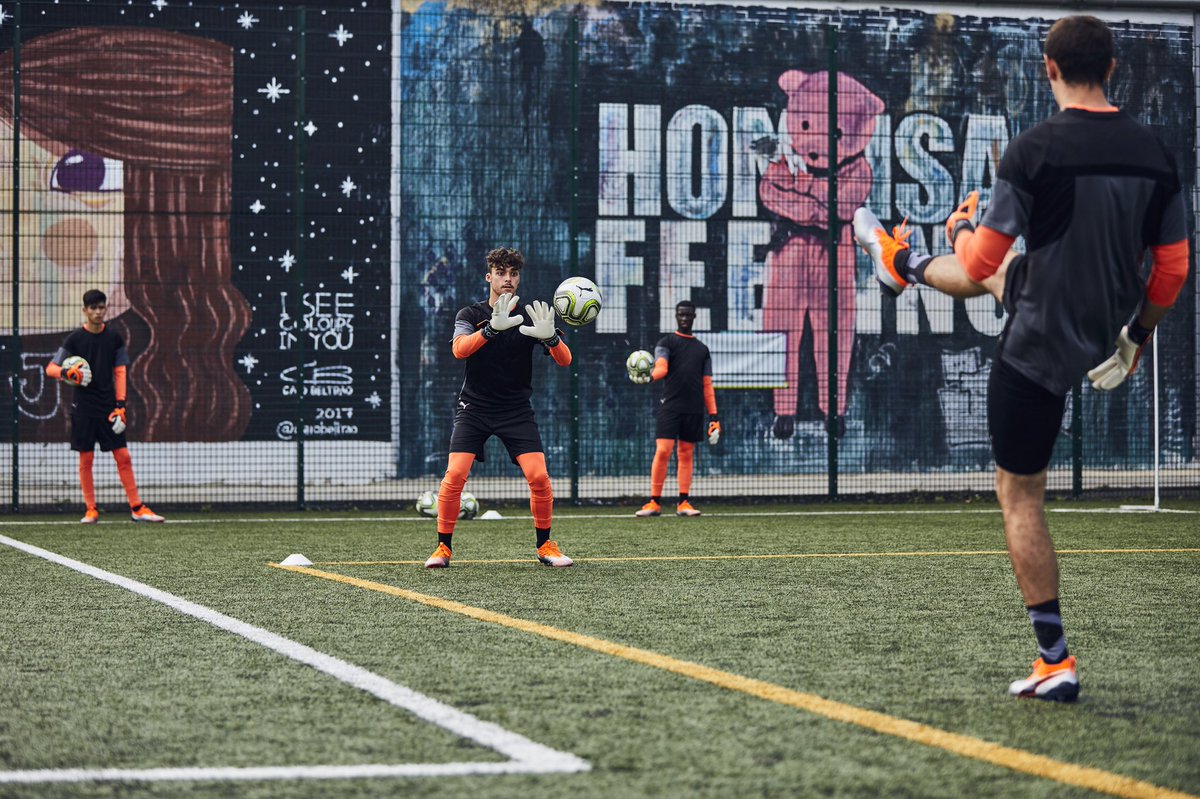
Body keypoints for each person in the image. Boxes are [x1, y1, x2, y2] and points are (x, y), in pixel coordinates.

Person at [853, 15, 1190, 702]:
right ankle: (901, 260)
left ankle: (1054, 659)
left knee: (1019, 493)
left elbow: (978, 263)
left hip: (1037, 340)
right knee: (1011, 274)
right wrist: (1137, 337)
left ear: (1049, 70)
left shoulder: (1033, 151)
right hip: (1101, 329)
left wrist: (966, 226)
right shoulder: (1157, 153)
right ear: (1114, 69)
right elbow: (1173, 271)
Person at [425, 248, 575, 568]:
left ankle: (545, 546)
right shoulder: (469, 314)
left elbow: (566, 360)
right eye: (501, 273)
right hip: (474, 408)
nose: (508, 279)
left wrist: (551, 339)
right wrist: (491, 329)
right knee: (455, 475)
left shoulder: (531, 314)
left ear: (518, 278)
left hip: (515, 410)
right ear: (489, 277)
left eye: (513, 274)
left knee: (539, 477)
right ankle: (442, 548)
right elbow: (459, 350)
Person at [46, 290, 165, 524]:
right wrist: (66, 373)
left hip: (109, 406)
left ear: (105, 309)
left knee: (123, 456)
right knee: (86, 458)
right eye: (93, 308)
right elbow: (50, 369)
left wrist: (120, 406)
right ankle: (91, 509)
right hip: (83, 407)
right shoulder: (74, 340)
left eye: (101, 307)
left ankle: (137, 507)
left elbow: (120, 373)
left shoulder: (114, 338)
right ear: (85, 310)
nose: (98, 312)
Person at [631, 301, 721, 517]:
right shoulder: (666, 343)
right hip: (670, 407)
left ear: (694, 317)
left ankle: (683, 502)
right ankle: (654, 502)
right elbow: (662, 367)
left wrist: (714, 416)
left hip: (694, 408)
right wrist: (650, 377)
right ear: (676, 316)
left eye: (688, 315)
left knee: (686, 453)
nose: (684, 318)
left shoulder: (702, 349)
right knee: (663, 451)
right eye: (681, 314)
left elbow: (707, 384)